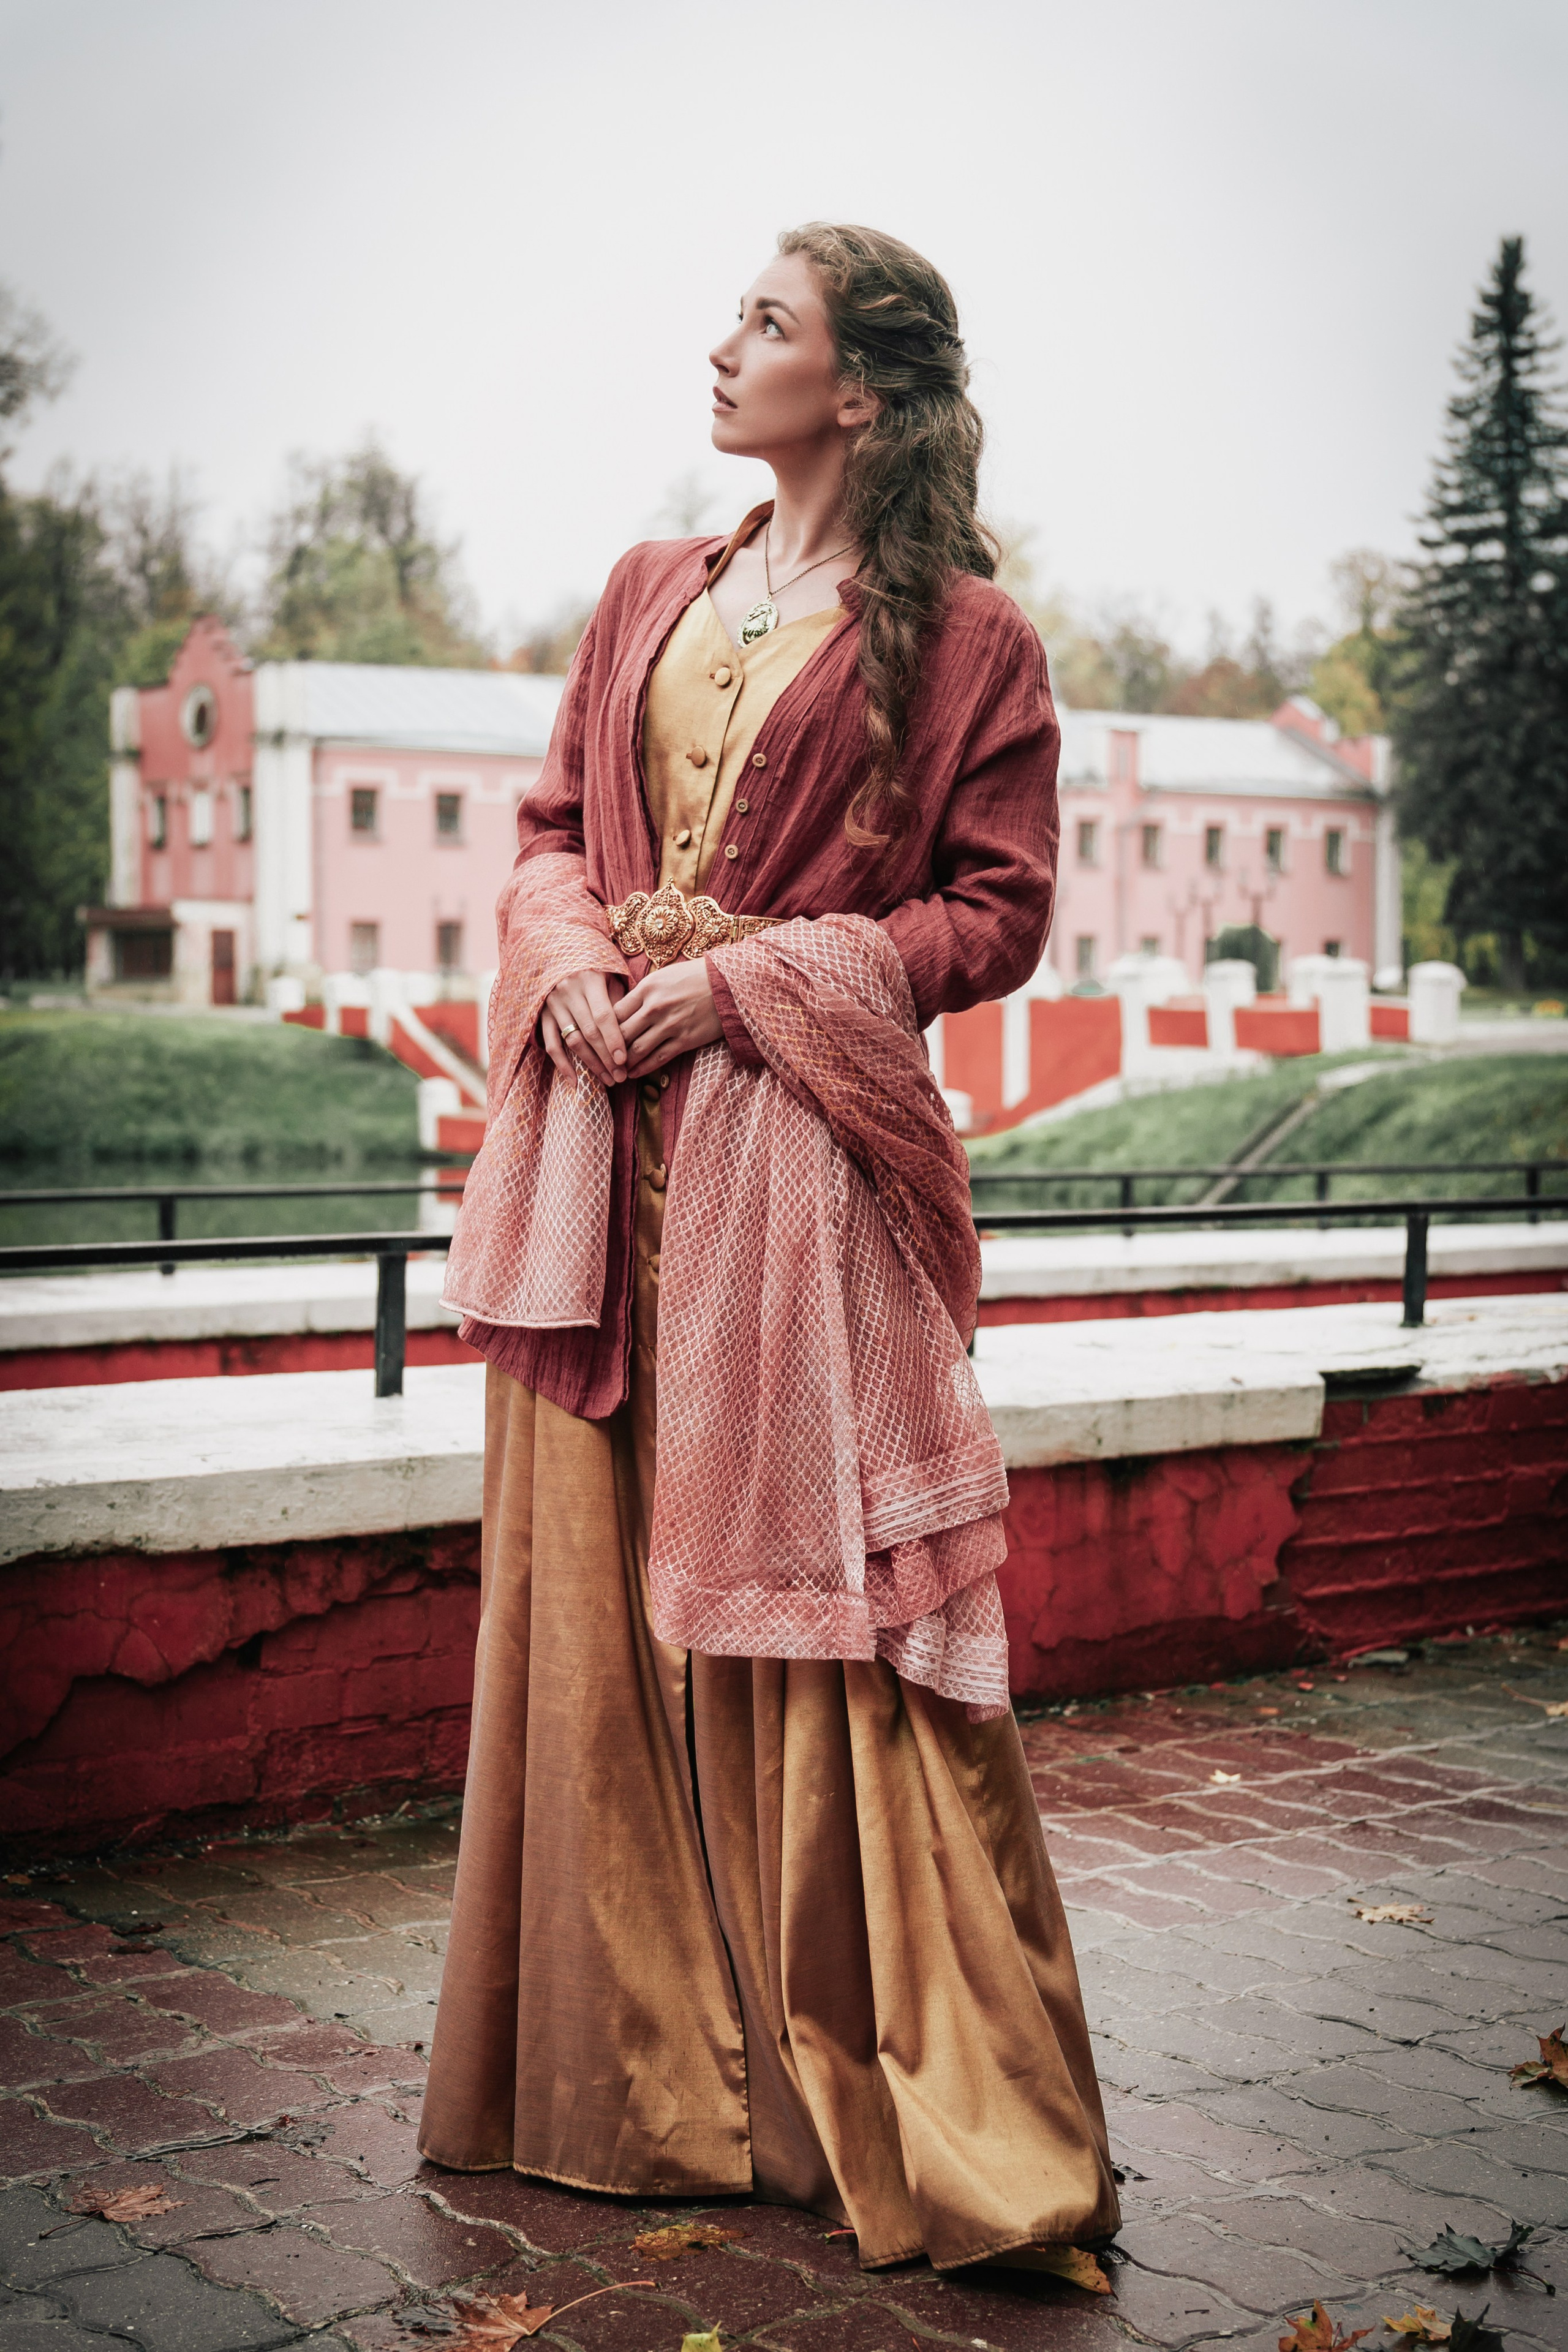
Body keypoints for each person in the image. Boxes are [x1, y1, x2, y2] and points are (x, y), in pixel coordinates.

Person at [418, 222, 1119, 2272]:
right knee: (592, 1625)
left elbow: (996, 915)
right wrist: (561, 963)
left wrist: (751, 990)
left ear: (865, 391)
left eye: (767, 323)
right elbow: (555, 829)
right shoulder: (652, 588)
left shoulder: (974, 637)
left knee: (808, 1630)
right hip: (589, 1165)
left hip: (784, 1188)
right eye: (739, 317)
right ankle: (641, 2084)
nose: (722, 347)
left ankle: (858, 2095)